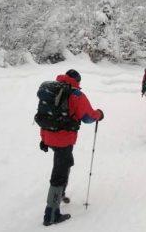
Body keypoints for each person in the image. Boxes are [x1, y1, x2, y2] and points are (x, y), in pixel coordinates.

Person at [39, 69, 104, 226]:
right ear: (77, 81)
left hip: (48, 136)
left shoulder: (51, 90)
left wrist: (43, 139)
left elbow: (44, 115)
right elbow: (88, 117)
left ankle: (60, 193)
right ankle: (51, 213)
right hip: (64, 139)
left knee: (66, 162)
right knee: (59, 172)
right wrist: (99, 114)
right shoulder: (75, 94)